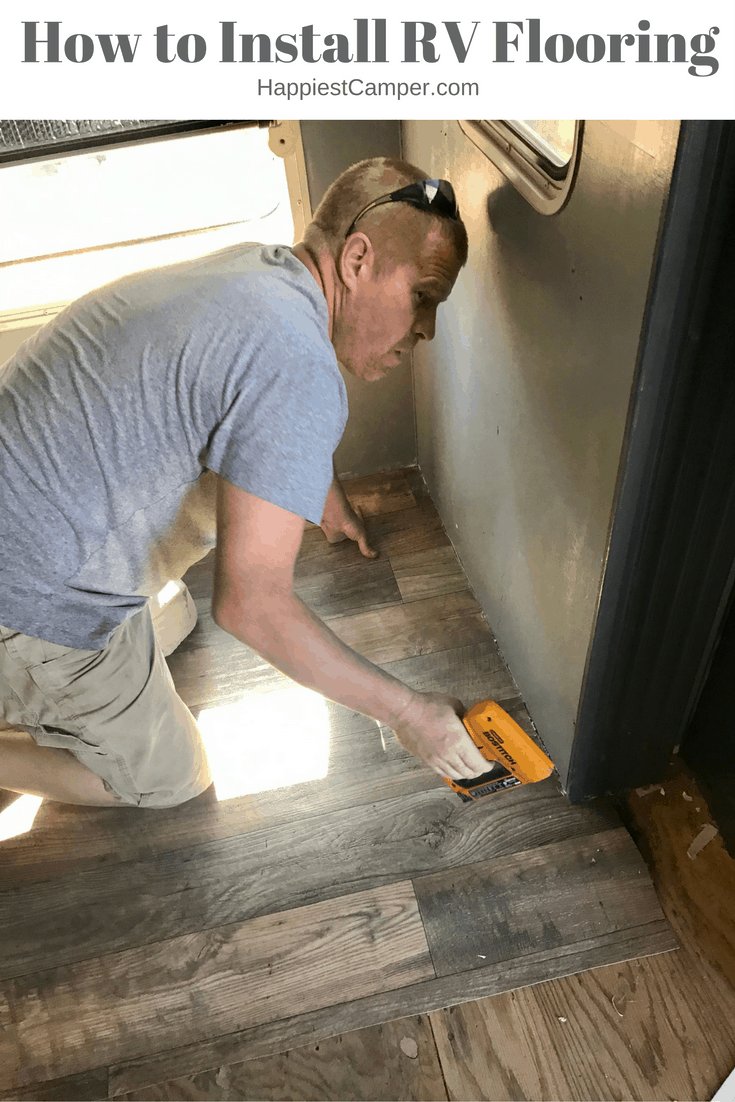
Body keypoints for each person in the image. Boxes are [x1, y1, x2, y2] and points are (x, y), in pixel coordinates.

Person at [0, 155, 491, 809]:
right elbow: (250, 606)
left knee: (173, 621)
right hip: (31, 603)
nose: (424, 329)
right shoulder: (298, 365)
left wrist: (318, 487)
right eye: (422, 297)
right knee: (171, 779)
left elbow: (241, 400)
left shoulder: (257, 274)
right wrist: (407, 713)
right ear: (357, 260)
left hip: (28, 520)